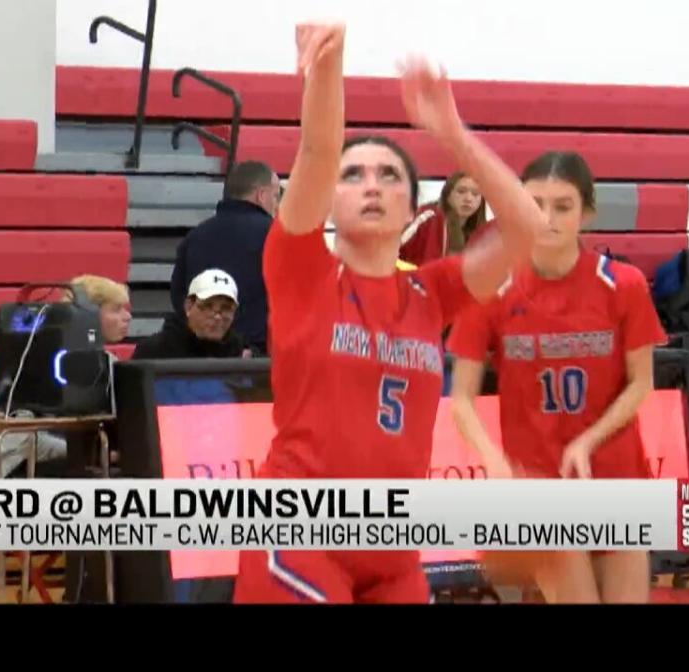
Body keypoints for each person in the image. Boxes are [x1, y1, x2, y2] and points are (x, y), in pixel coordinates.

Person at [231, 24, 545, 604]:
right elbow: (318, 148)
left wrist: (452, 132)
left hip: (394, 549)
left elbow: (528, 227)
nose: (371, 184)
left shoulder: (432, 293)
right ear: (330, 197)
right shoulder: (302, 268)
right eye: (354, 175)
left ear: (411, 206)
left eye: (389, 175)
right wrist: (329, 63)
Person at [448, 151, 666, 604]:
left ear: (587, 212)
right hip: (540, 483)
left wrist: (588, 440)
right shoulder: (488, 288)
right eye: (534, 204)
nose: (546, 218)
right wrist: (493, 461)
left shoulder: (623, 284)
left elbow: (641, 382)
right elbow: (462, 398)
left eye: (563, 206)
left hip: (615, 476)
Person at [0, 274, 130, 478]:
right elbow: (22, 443)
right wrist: (88, 454)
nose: (127, 317)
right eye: (116, 309)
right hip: (27, 469)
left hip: (80, 462)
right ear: (89, 314)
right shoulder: (37, 362)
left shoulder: (108, 362)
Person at [170, 161, 279, 354]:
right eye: (275, 196)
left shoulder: (194, 236)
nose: (277, 205)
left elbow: (179, 297)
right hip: (256, 359)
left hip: (198, 356)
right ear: (261, 196)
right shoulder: (275, 236)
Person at [135, 269, 247, 360]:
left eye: (226, 308)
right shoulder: (154, 351)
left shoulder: (241, 353)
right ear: (188, 306)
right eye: (207, 306)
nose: (217, 316)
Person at [399, 171, 487, 266]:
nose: (468, 198)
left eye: (475, 194)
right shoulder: (429, 216)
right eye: (461, 191)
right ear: (447, 195)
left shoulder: (481, 233)